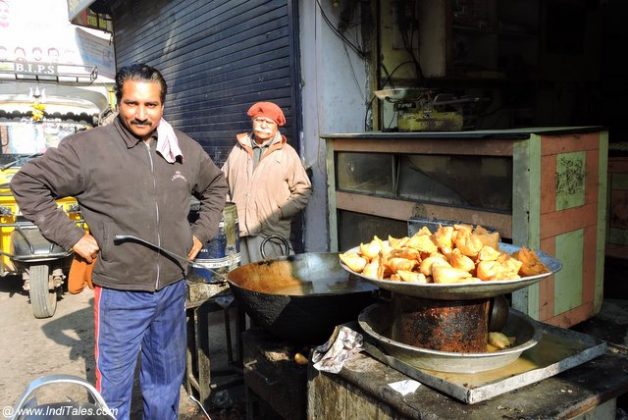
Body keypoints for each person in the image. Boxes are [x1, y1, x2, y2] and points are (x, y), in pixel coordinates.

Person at [10, 63, 228, 419]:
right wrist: (72, 237)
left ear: (163, 105)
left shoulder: (182, 147)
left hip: (172, 288)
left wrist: (201, 233)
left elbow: (216, 186)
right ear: (119, 101)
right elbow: (27, 184)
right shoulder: (88, 149)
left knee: (165, 380)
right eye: (132, 104)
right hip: (120, 294)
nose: (141, 115)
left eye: (151, 105)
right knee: (114, 389)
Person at [222, 101, 311, 263]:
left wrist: (279, 212)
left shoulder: (287, 154)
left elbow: (303, 192)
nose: (263, 125)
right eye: (259, 120)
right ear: (252, 121)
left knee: (270, 283)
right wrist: (229, 214)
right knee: (241, 282)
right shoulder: (238, 150)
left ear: (276, 125)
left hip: (270, 235)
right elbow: (221, 184)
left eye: (268, 122)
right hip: (237, 234)